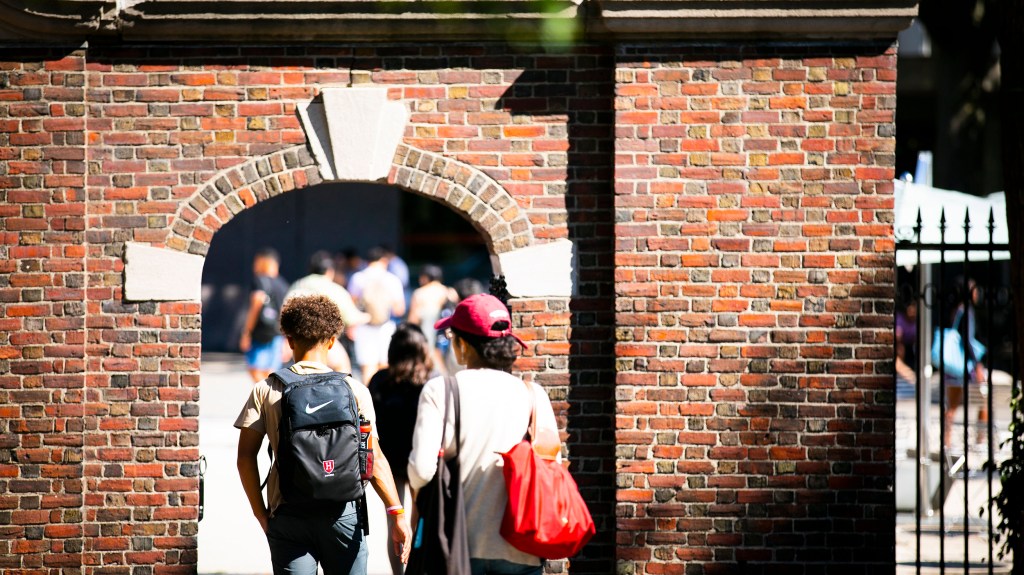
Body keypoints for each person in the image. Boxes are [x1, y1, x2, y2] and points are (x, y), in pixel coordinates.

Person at [235, 294, 412, 575]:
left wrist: (261, 513)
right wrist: (397, 513)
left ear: (289, 339)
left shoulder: (266, 390)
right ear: (332, 341)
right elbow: (374, 458)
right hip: (344, 514)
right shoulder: (355, 391)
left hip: (288, 515)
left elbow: (245, 458)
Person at [407, 294, 559, 575]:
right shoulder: (533, 395)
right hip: (522, 546)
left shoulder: (442, 391)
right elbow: (553, 467)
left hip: (460, 545)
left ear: (462, 344)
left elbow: (422, 471)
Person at [367, 324, 435, 575]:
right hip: (420, 459)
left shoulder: (380, 381)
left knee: (394, 523)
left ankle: (399, 574)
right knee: (420, 522)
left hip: (388, 461)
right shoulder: (430, 382)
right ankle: (416, 569)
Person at [286, 251, 371, 373]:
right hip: (323, 340)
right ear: (329, 271)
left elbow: (284, 311)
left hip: (296, 340)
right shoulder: (334, 289)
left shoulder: (297, 284)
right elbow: (351, 318)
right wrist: (368, 316)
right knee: (343, 366)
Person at [348, 246, 406, 382]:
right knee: (385, 366)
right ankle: (384, 400)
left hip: (364, 327)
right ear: (384, 261)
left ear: (367, 261)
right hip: (386, 326)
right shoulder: (392, 279)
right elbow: (400, 309)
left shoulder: (358, 278)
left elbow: (351, 305)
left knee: (368, 368)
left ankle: (370, 400)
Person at [942, 278, 989, 448]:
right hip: (965, 366)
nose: (977, 294)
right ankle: (981, 439)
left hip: (952, 367)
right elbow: (968, 340)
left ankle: (946, 441)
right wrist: (977, 365)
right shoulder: (967, 311)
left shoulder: (956, 310)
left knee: (952, 406)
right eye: (975, 290)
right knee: (984, 400)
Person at [239, 248, 289, 383]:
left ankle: (265, 399)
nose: (254, 266)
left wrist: (247, 331)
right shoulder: (283, 284)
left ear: (264, 262)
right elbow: (286, 311)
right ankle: (270, 399)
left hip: (259, 334)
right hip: (277, 334)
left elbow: (257, 301)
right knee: (272, 373)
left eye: (256, 262)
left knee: (255, 369)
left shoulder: (260, 280)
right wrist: (287, 339)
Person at [407, 264, 457, 351]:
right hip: (447, 341)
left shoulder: (419, 293)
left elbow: (413, 320)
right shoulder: (450, 292)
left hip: (426, 339)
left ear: (425, 277)